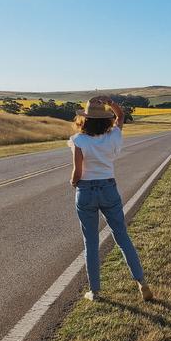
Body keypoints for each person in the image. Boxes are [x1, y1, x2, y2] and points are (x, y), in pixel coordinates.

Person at [68, 96, 153, 302]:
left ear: (85, 119)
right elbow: (121, 115)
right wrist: (111, 102)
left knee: (91, 242)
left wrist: (73, 182)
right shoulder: (114, 135)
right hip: (108, 188)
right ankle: (141, 282)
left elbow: (77, 172)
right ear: (106, 119)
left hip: (86, 191)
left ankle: (95, 291)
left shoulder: (78, 140)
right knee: (122, 237)